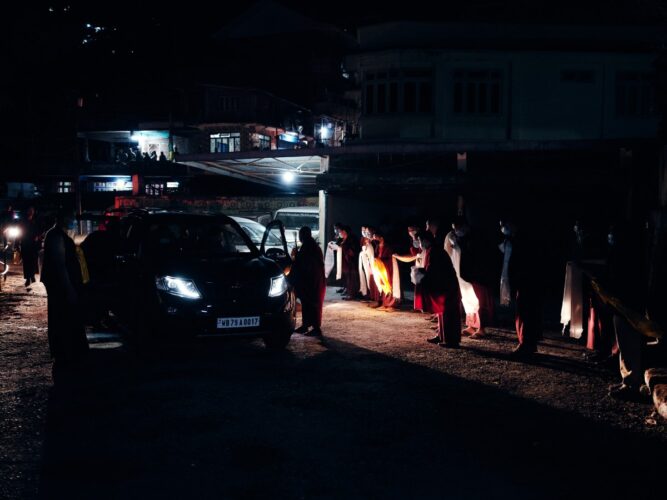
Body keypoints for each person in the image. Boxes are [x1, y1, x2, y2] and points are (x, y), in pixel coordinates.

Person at [41, 211, 88, 380]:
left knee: (65, 319)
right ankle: (66, 353)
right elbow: (60, 266)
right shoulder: (55, 236)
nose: (74, 221)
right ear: (61, 219)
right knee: (64, 318)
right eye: (71, 219)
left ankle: (68, 352)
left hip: (62, 286)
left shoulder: (58, 235)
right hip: (61, 287)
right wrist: (69, 289)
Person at [502, 219, 543, 359]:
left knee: (525, 313)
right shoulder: (517, 239)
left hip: (526, 282)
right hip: (526, 281)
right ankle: (529, 343)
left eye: (504, 225)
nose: (503, 228)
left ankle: (526, 344)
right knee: (526, 313)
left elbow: (520, 262)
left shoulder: (521, 240)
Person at [417, 231, 461, 348]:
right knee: (441, 312)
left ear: (426, 240)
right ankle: (441, 335)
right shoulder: (431, 250)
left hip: (447, 286)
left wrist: (421, 274)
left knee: (448, 313)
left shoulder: (435, 251)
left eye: (420, 241)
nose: (420, 244)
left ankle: (451, 340)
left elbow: (434, 270)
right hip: (442, 285)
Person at [288, 226, 326, 337]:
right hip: (310, 280)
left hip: (313, 281)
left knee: (313, 304)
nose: (299, 237)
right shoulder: (309, 246)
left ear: (304, 235)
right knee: (306, 303)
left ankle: (316, 327)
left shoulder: (309, 247)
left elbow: (304, 263)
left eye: (300, 234)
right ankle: (305, 325)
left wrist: (296, 256)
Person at [19, 207, 40, 288]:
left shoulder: (35, 220)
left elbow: (38, 230)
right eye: (30, 211)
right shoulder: (23, 221)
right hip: (25, 243)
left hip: (33, 243)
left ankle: (32, 276)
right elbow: (20, 232)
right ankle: (28, 278)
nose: (31, 212)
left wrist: (37, 237)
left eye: (32, 211)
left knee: (32, 260)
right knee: (26, 261)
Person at [339, 225, 361, 301]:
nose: (340, 233)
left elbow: (353, 250)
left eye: (341, 232)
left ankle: (352, 294)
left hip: (351, 262)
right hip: (345, 262)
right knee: (348, 278)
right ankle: (349, 293)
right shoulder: (344, 239)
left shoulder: (352, 239)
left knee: (352, 278)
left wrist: (345, 249)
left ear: (345, 232)